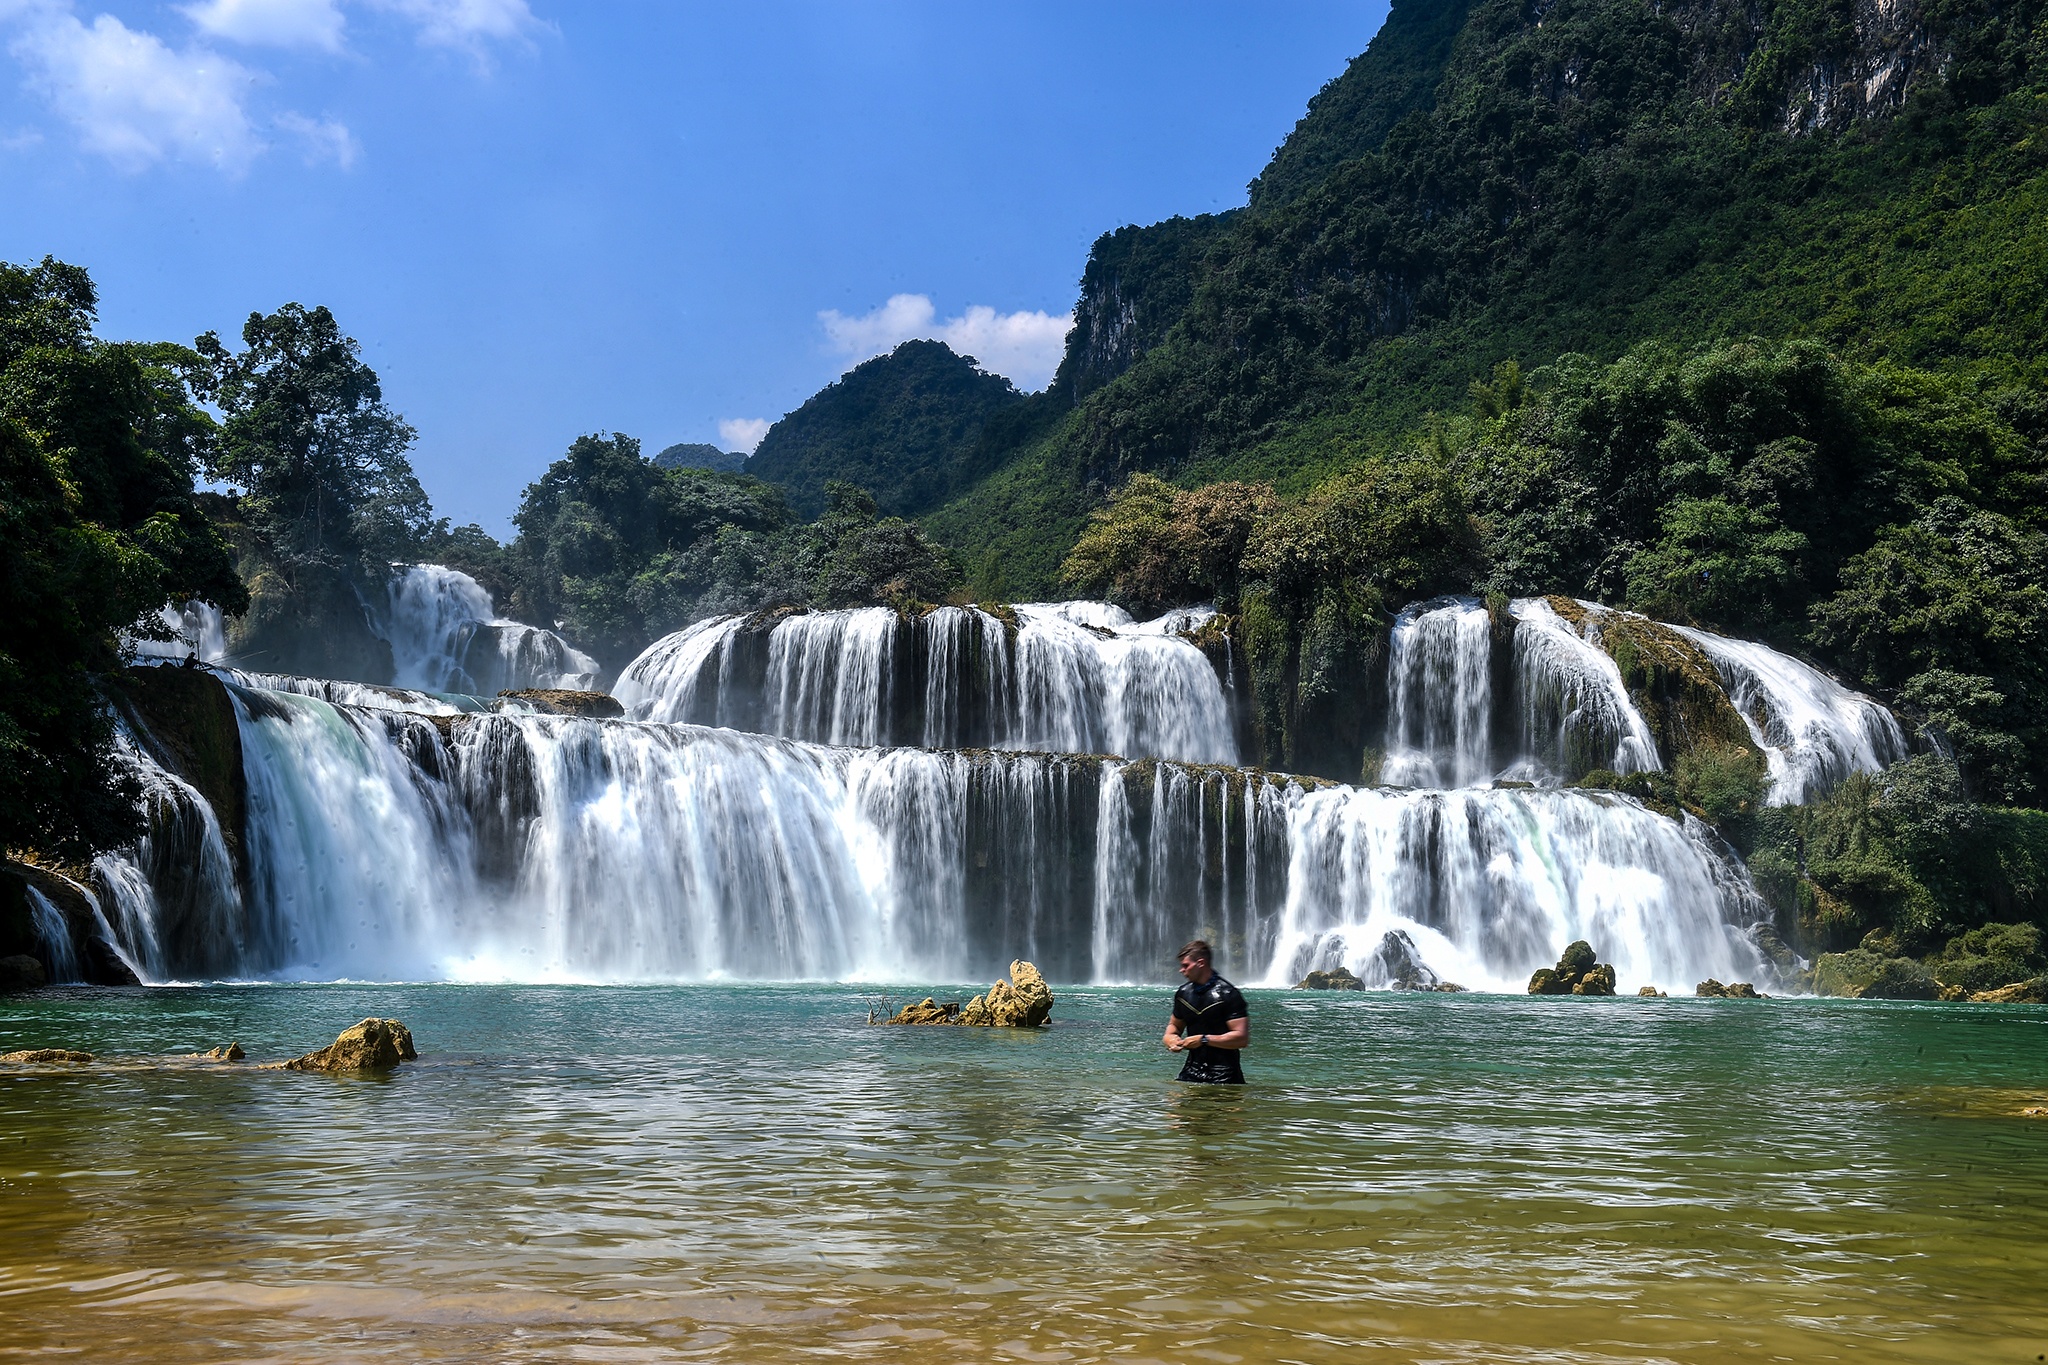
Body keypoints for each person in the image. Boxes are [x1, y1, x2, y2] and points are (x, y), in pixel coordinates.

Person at [1163, 939, 1248, 1084]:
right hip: (1191, 1070)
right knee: (1174, 1105)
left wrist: (1204, 1039)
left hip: (1224, 1074)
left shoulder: (1228, 994)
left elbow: (1241, 1038)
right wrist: (1170, 1039)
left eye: (1185, 965)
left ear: (1200, 963)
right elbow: (1174, 1026)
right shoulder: (1183, 993)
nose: (1181, 970)